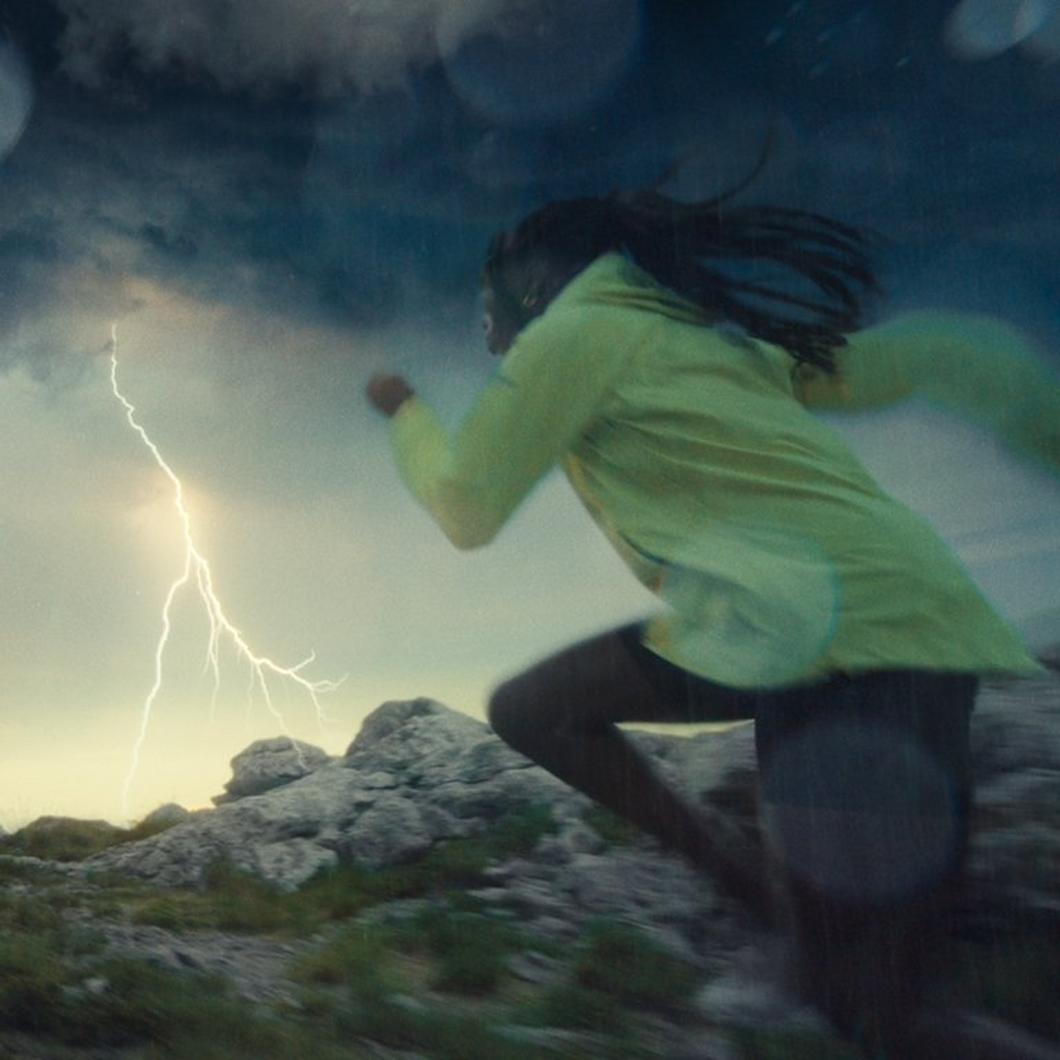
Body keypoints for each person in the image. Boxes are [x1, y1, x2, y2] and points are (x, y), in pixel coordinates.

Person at [366, 180, 1060, 1058]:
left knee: (864, 1006)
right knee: (873, 989)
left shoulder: (574, 334)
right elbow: (913, 356)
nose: (488, 334)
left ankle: (738, 871)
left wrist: (405, 412)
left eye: (488, 311)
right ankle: (777, 901)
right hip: (907, 617)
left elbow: (466, 505)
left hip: (810, 635)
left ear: (529, 288)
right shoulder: (705, 338)